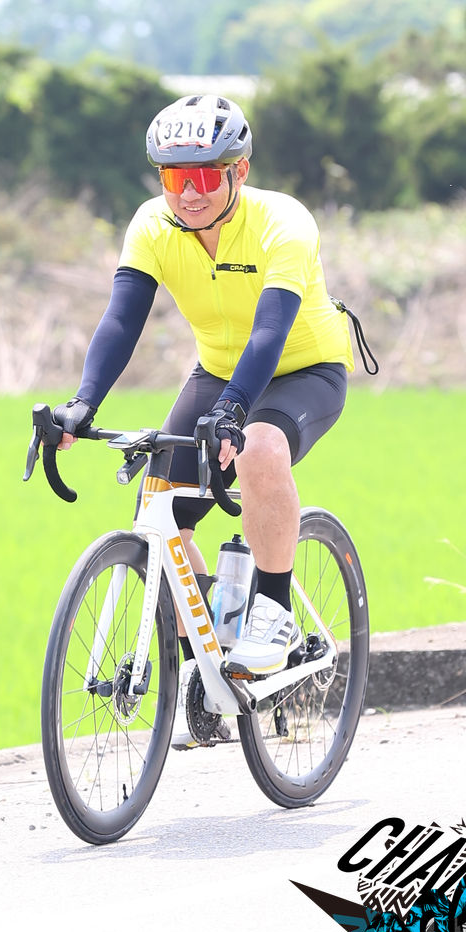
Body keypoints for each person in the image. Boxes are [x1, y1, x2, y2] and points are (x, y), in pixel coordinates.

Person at [53, 94, 354, 735]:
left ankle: (273, 609)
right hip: (217, 372)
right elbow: (122, 317)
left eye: (202, 177)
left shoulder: (283, 222)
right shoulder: (152, 225)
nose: (187, 193)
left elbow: (270, 331)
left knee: (260, 450)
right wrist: (83, 402)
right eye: (173, 178)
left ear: (238, 171)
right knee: (161, 507)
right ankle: (209, 655)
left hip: (304, 370)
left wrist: (235, 411)